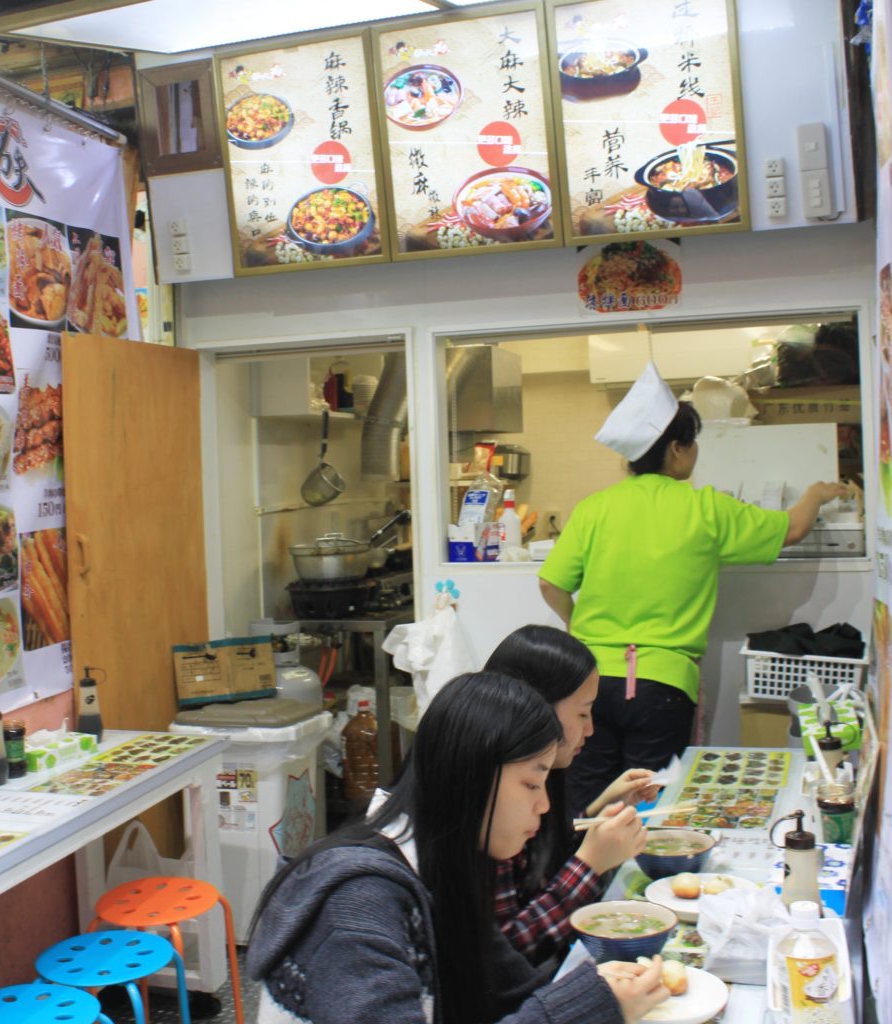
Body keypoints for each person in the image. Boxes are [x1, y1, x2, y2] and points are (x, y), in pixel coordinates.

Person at [247, 671, 669, 1024]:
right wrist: (588, 1004)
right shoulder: (357, 902)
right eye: (531, 782)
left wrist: (608, 988)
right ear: (474, 776)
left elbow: (512, 991)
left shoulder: (442, 866)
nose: (543, 805)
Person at [538, 361, 847, 814]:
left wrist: (576, 623)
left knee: (585, 801)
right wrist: (816, 494)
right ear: (678, 450)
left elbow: (551, 582)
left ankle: (576, 881)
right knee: (650, 803)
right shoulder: (706, 508)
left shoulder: (594, 508)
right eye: (694, 443)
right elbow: (793, 528)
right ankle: (640, 883)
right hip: (664, 685)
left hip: (591, 682)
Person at [485, 624, 658, 964]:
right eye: (582, 712)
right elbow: (509, 953)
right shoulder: (492, 790)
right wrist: (590, 865)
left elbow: (544, 856)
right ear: (537, 704)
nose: (591, 729)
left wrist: (601, 808)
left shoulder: (543, 773)